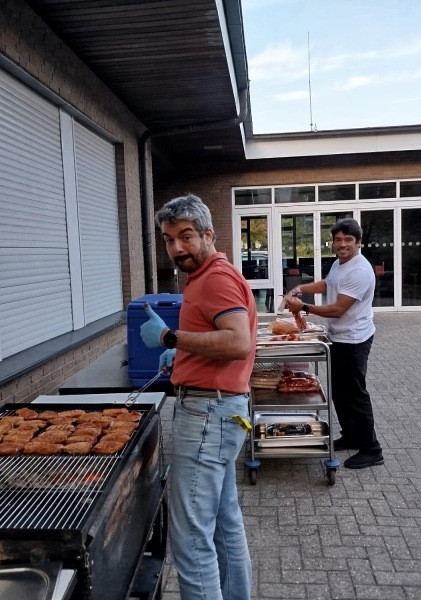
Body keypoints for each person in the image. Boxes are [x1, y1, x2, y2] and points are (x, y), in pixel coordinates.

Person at [140, 193, 256, 600]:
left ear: (209, 234)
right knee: (224, 525)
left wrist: (170, 338)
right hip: (222, 411)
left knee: (190, 539)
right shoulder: (209, 275)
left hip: (207, 415)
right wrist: (185, 355)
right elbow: (220, 336)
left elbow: (238, 342)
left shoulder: (215, 279)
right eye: (169, 240)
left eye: (186, 236)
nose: (177, 248)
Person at [284, 217, 383, 470]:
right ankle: (351, 436)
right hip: (338, 337)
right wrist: (302, 287)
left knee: (355, 394)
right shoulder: (340, 264)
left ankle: (372, 449)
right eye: (338, 240)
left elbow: (338, 309)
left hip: (354, 339)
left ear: (358, 242)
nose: (342, 244)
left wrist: (303, 306)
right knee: (339, 392)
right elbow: (328, 284)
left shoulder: (360, 270)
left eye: (348, 240)